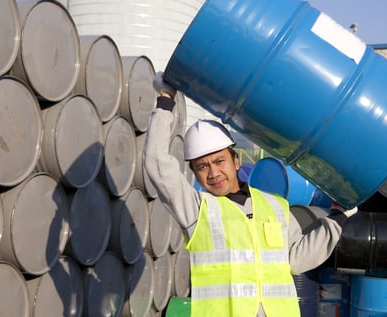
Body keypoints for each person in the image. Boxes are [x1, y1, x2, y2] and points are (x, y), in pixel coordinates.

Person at [144, 72, 357, 317]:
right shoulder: (196, 209)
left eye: (219, 161)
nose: (213, 172)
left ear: (236, 161)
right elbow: (156, 164)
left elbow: (296, 259)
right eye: (202, 167)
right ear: (194, 173)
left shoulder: (274, 206)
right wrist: (165, 101)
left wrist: (339, 218)